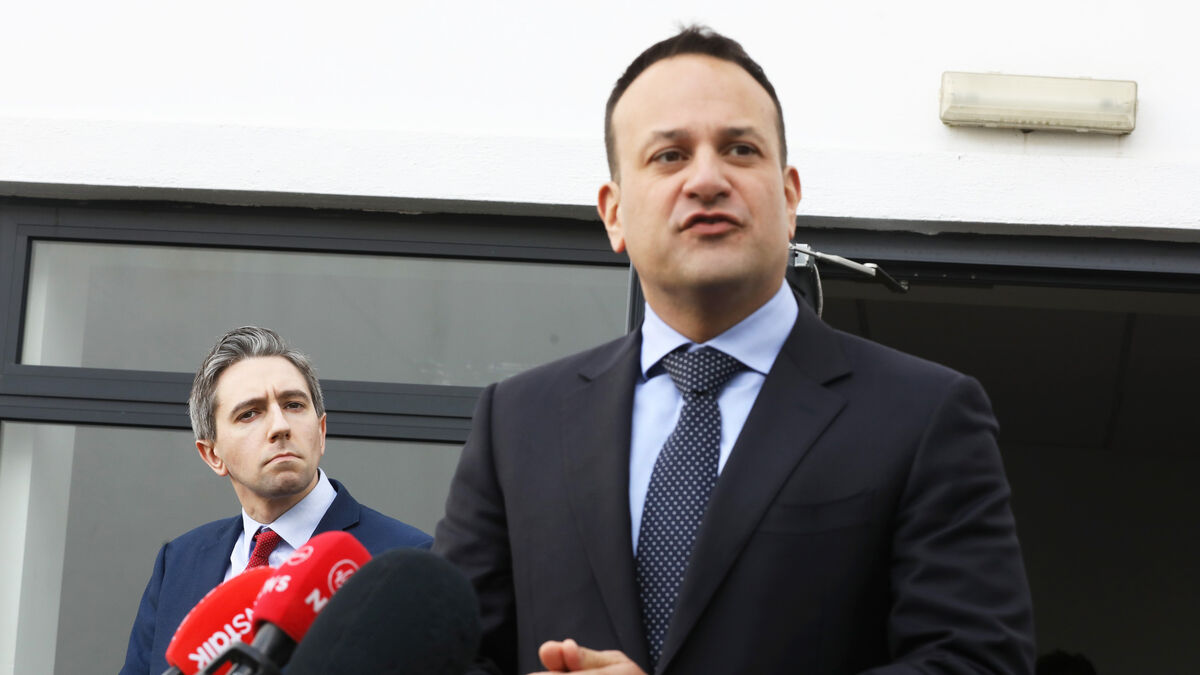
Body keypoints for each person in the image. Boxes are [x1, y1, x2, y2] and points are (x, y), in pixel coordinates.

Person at [434, 26, 1035, 675]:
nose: (706, 179)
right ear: (613, 213)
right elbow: (450, 656)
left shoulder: (923, 415)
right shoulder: (518, 422)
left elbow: (976, 661)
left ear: (789, 197)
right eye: (669, 155)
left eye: (740, 150)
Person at [121, 326, 432, 675]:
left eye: (294, 405)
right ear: (212, 455)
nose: (280, 426)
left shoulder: (408, 561)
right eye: (249, 413)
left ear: (321, 432)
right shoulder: (178, 564)